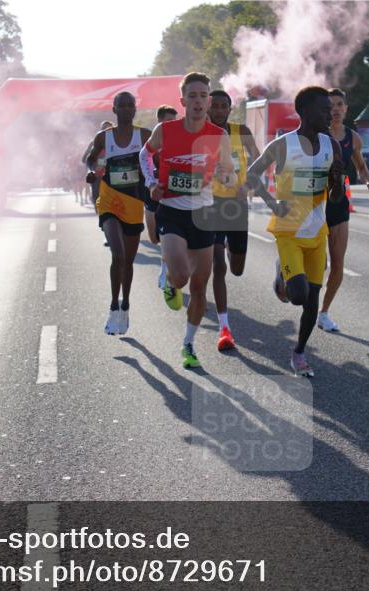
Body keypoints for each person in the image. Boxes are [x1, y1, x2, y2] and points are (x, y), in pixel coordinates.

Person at [246, 86, 344, 378]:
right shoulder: (283, 145)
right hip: (288, 230)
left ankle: (299, 352)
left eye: (332, 109)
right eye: (324, 110)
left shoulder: (332, 146)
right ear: (304, 112)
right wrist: (271, 202)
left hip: (316, 233)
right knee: (298, 295)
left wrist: (337, 181)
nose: (331, 114)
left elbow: (336, 199)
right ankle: (282, 272)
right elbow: (252, 174)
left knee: (312, 300)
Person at [139, 72, 235, 369]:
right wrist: (152, 181)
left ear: (208, 100)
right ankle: (170, 280)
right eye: (192, 96)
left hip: (203, 215)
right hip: (172, 211)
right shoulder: (166, 130)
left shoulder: (219, 136)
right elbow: (145, 154)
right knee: (181, 277)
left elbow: (229, 171)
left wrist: (225, 175)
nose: (198, 101)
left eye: (203, 95)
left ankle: (188, 345)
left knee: (198, 290)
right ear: (182, 101)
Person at [86, 92, 152, 336]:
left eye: (129, 105)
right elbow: (91, 160)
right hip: (110, 201)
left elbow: (158, 158)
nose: (125, 109)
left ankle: (126, 304)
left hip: (134, 203)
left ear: (135, 109)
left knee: (129, 261)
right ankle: (114, 305)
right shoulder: (104, 137)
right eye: (121, 106)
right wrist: (93, 171)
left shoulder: (144, 136)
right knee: (118, 254)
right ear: (113, 110)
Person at [206, 89, 260, 351]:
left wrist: (248, 184)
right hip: (210, 205)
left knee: (236, 268)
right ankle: (224, 327)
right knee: (218, 266)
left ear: (229, 109)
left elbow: (261, 161)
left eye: (222, 106)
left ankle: (229, 245)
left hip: (236, 205)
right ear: (206, 108)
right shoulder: (199, 133)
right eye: (213, 106)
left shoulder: (242, 132)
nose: (217, 111)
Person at [319, 88, 369, 333]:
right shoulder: (316, 135)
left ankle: (323, 312)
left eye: (340, 104)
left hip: (338, 202)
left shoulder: (352, 138)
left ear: (346, 108)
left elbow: (361, 167)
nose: (336, 109)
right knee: (317, 264)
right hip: (314, 203)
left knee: (338, 261)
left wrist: (368, 181)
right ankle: (292, 280)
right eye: (331, 105)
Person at [145, 105, 179, 290]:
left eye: (174, 121)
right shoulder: (152, 140)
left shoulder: (182, 140)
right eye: (168, 121)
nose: (172, 124)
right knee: (154, 238)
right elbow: (143, 159)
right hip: (153, 193)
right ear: (159, 122)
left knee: (170, 235)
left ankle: (167, 268)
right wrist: (151, 182)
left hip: (173, 195)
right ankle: (165, 262)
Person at [83, 120, 113, 206]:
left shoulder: (118, 141)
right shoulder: (94, 142)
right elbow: (85, 159)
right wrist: (94, 167)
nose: (107, 130)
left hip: (113, 176)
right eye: (104, 129)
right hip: (98, 176)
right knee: (97, 200)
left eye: (110, 128)